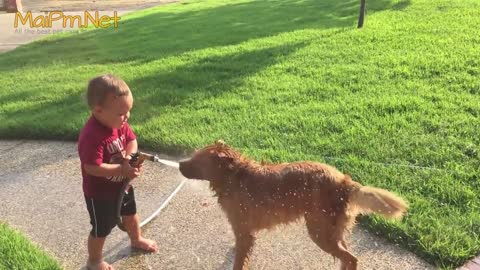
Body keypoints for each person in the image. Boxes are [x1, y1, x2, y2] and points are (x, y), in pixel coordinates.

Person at [77, 74, 158, 270]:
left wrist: (130, 159)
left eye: (129, 111)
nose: (127, 117)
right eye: (122, 113)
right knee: (101, 229)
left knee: (131, 214)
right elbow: (92, 167)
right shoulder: (91, 135)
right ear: (98, 110)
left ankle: (136, 239)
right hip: (100, 194)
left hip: (123, 186)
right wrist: (122, 169)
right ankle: (94, 261)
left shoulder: (118, 123)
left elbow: (132, 140)